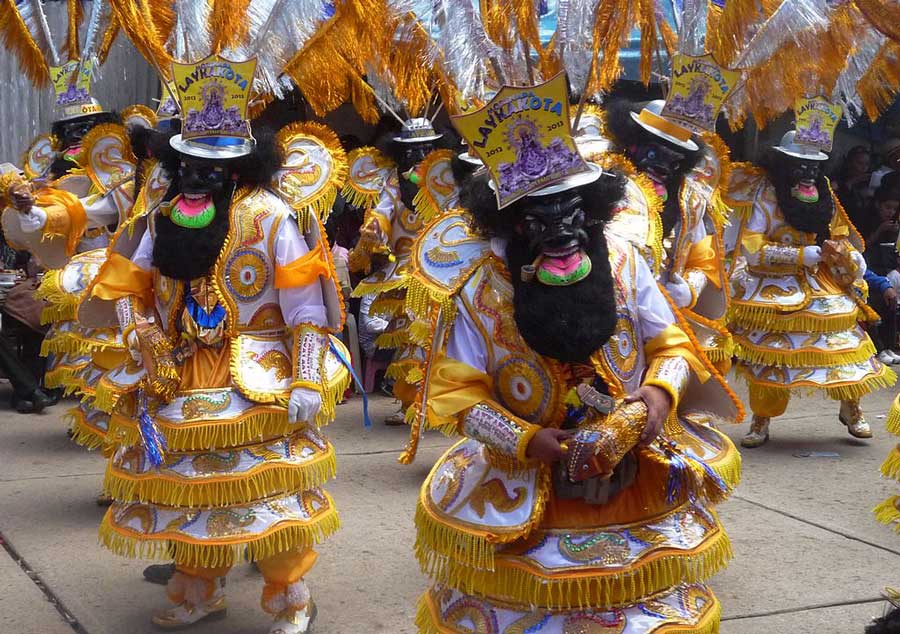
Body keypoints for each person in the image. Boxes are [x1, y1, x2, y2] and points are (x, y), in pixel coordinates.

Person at [79, 56, 350, 633]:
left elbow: (304, 304)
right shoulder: (161, 218)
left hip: (258, 370)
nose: (199, 178)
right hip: (180, 370)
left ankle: (290, 596)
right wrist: (140, 329)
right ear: (176, 163)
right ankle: (200, 587)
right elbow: (130, 282)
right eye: (190, 165)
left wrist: (305, 375)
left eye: (216, 169)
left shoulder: (271, 216)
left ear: (239, 170)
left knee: (266, 491)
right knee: (192, 491)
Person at [726, 128, 896, 447]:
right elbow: (751, 246)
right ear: (783, 164)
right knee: (770, 354)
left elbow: (841, 233)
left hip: (819, 278)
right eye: (800, 165)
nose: (808, 173)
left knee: (844, 341)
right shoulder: (766, 192)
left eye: (814, 166)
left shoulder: (824, 191)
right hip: (773, 282)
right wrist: (797, 255)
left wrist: (845, 254)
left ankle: (851, 407)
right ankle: (761, 419)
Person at [834, 145, 872, 227]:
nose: (864, 168)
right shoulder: (838, 179)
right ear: (849, 162)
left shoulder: (868, 183)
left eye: (867, 164)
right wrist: (852, 182)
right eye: (859, 163)